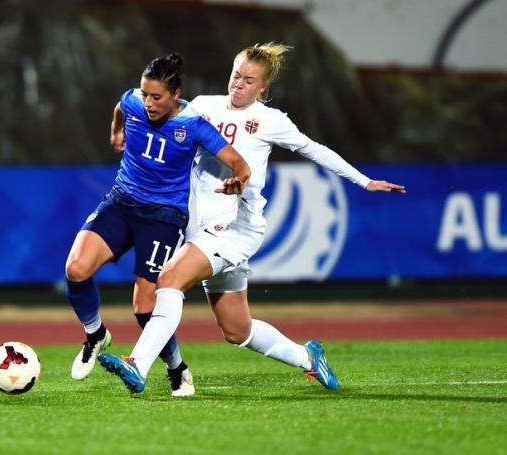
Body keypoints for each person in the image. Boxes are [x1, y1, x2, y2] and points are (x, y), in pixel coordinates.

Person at [99, 43, 405, 394]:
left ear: (263, 88)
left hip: (234, 227)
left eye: (248, 80)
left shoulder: (272, 121)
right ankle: (308, 357)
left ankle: (137, 365)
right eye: (235, 76)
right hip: (200, 227)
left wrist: (364, 181)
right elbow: (153, 121)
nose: (238, 85)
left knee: (168, 280)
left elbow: (314, 149)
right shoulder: (202, 107)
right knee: (236, 330)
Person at [64, 52, 250, 397]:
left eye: (156, 97)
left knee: (144, 307)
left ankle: (177, 368)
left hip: (164, 215)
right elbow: (122, 106)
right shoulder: (133, 101)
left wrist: (239, 178)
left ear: (176, 95)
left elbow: (238, 162)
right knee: (76, 269)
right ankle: (95, 335)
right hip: (122, 200)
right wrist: (116, 132)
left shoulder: (193, 124)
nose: (147, 103)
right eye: (145, 94)